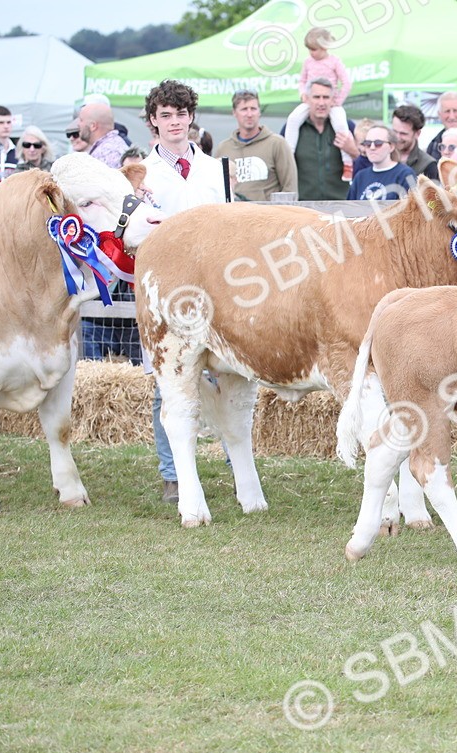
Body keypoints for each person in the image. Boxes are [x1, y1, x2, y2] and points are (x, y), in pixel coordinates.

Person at [141, 79, 230, 503]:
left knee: (230, 373)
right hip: (170, 289)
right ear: (153, 122)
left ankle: (237, 463)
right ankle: (172, 474)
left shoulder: (215, 168)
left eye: (180, 114)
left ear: (191, 117)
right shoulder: (142, 174)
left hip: (220, 284)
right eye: (165, 116)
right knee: (169, 380)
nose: (174, 122)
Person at [284, 27, 352, 175]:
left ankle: (347, 163)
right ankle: (289, 157)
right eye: (309, 49)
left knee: (341, 124)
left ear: (325, 47)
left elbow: (346, 82)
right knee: (293, 119)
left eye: (314, 49)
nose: (311, 53)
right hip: (310, 102)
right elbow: (302, 81)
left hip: (331, 103)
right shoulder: (308, 62)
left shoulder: (334, 62)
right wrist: (303, 94)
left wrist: (338, 100)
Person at [214, 90, 297, 202]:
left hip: (268, 216)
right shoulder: (223, 148)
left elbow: (290, 189)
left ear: (259, 112)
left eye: (253, 109)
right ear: (234, 112)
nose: (249, 114)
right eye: (244, 109)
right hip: (234, 216)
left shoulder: (277, 144)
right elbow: (216, 188)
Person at [291, 77, 358, 201]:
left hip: (342, 205)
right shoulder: (293, 128)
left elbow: (367, 164)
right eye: (316, 97)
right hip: (304, 207)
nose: (321, 103)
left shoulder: (348, 126)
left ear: (333, 100)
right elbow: (283, 165)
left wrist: (353, 151)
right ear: (306, 99)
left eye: (326, 97)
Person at [347, 124, 416, 201]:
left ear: (391, 147)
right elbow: (350, 208)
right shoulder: (360, 176)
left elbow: (413, 208)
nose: (372, 147)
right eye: (368, 143)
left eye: (378, 143)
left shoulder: (405, 174)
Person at [390, 104, 438, 181]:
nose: (397, 137)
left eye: (403, 133)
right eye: (394, 131)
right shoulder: (383, 155)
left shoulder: (428, 165)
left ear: (417, 134)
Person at [426, 92, 457, 160]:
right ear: (439, 114)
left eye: (456, 111)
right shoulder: (433, 146)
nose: (451, 116)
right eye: (447, 111)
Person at [78, 102, 128, 168]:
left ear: (93, 126)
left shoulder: (106, 154)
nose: (78, 124)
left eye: (81, 120)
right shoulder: (113, 147)